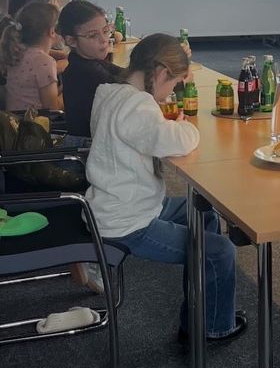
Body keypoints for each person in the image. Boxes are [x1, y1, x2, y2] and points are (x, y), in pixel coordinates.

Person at [86, 34, 246, 343]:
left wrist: (167, 123)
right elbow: (176, 140)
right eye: (173, 84)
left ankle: (200, 310)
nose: (170, 93)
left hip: (118, 203)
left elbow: (148, 135)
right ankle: (214, 327)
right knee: (220, 251)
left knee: (203, 214)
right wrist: (183, 125)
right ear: (160, 73)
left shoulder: (111, 93)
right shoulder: (136, 106)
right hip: (128, 222)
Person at [57, 0, 123, 141]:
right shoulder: (85, 72)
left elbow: (126, 75)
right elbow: (129, 87)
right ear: (71, 40)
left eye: (105, 31)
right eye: (93, 35)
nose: (104, 39)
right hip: (88, 148)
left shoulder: (86, 61)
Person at [0, 1, 61, 111]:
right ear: (52, 31)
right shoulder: (45, 61)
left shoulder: (16, 52)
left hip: (14, 119)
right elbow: (52, 109)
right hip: (35, 121)